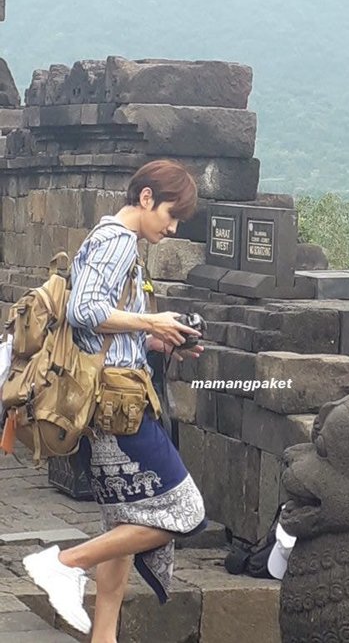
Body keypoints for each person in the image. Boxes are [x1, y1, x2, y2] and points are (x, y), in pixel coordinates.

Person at [22, 159, 207, 641]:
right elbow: (84, 309)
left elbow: (104, 326)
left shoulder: (110, 238)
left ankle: (104, 636)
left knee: (123, 527)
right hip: (117, 405)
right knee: (185, 512)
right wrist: (151, 320)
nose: (172, 227)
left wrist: (159, 340)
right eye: (170, 214)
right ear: (146, 198)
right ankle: (64, 563)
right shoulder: (119, 240)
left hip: (107, 399)